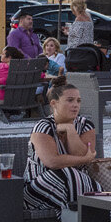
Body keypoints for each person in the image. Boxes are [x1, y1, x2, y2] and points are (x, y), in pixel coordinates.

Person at [25, 77, 99, 214]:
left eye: (78, 101)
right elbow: (52, 162)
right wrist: (86, 159)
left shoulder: (85, 125)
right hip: (39, 189)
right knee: (68, 172)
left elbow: (79, 154)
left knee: (71, 174)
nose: (76, 105)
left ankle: (75, 221)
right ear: (54, 103)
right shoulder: (43, 127)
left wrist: (70, 130)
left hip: (76, 185)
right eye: (70, 100)